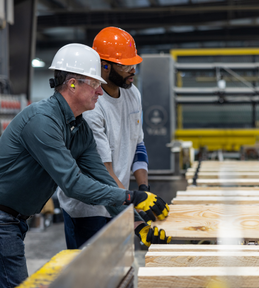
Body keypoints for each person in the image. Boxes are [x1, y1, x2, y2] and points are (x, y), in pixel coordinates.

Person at [0, 43, 169, 288]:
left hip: (15, 219)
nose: (100, 93)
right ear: (72, 83)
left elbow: (101, 177)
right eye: (95, 84)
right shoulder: (42, 121)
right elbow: (73, 184)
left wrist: (137, 224)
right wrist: (132, 195)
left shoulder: (79, 128)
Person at [57, 27, 160, 250]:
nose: (132, 70)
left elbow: (138, 144)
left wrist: (144, 188)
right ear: (103, 66)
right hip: (88, 211)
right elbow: (103, 172)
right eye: (124, 65)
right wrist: (135, 207)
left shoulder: (133, 93)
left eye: (134, 64)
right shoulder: (92, 106)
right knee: (91, 279)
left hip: (120, 198)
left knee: (120, 274)